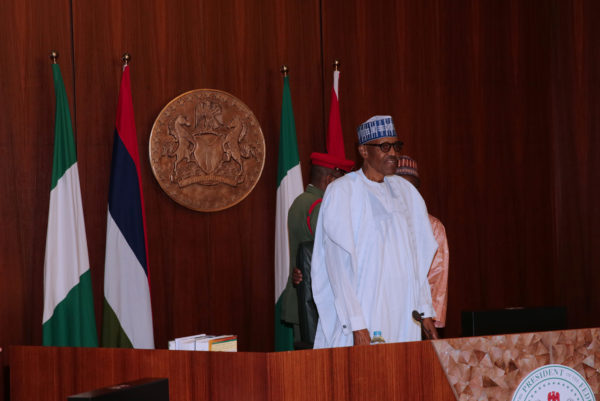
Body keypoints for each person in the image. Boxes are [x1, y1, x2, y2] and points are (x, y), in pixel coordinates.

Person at [311, 115, 439, 348]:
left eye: (396, 146)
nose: (393, 153)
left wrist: (425, 310)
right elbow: (337, 266)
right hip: (364, 312)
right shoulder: (343, 192)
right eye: (384, 147)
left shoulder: (406, 192)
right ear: (363, 150)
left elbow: (417, 259)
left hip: (403, 312)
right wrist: (356, 324)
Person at [280, 152, 354, 348]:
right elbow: (331, 255)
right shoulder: (321, 207)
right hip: (317, 304)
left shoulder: (299, 201)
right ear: (330, 180)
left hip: (301, 298)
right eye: (341, 181)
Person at [396, 155, 449, 331]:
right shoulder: (377, 222)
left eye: (412, 187)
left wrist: (430, 319)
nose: (407, 193)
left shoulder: (433, 227)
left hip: (417, 316)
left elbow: (437, 278)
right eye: (401, 186)